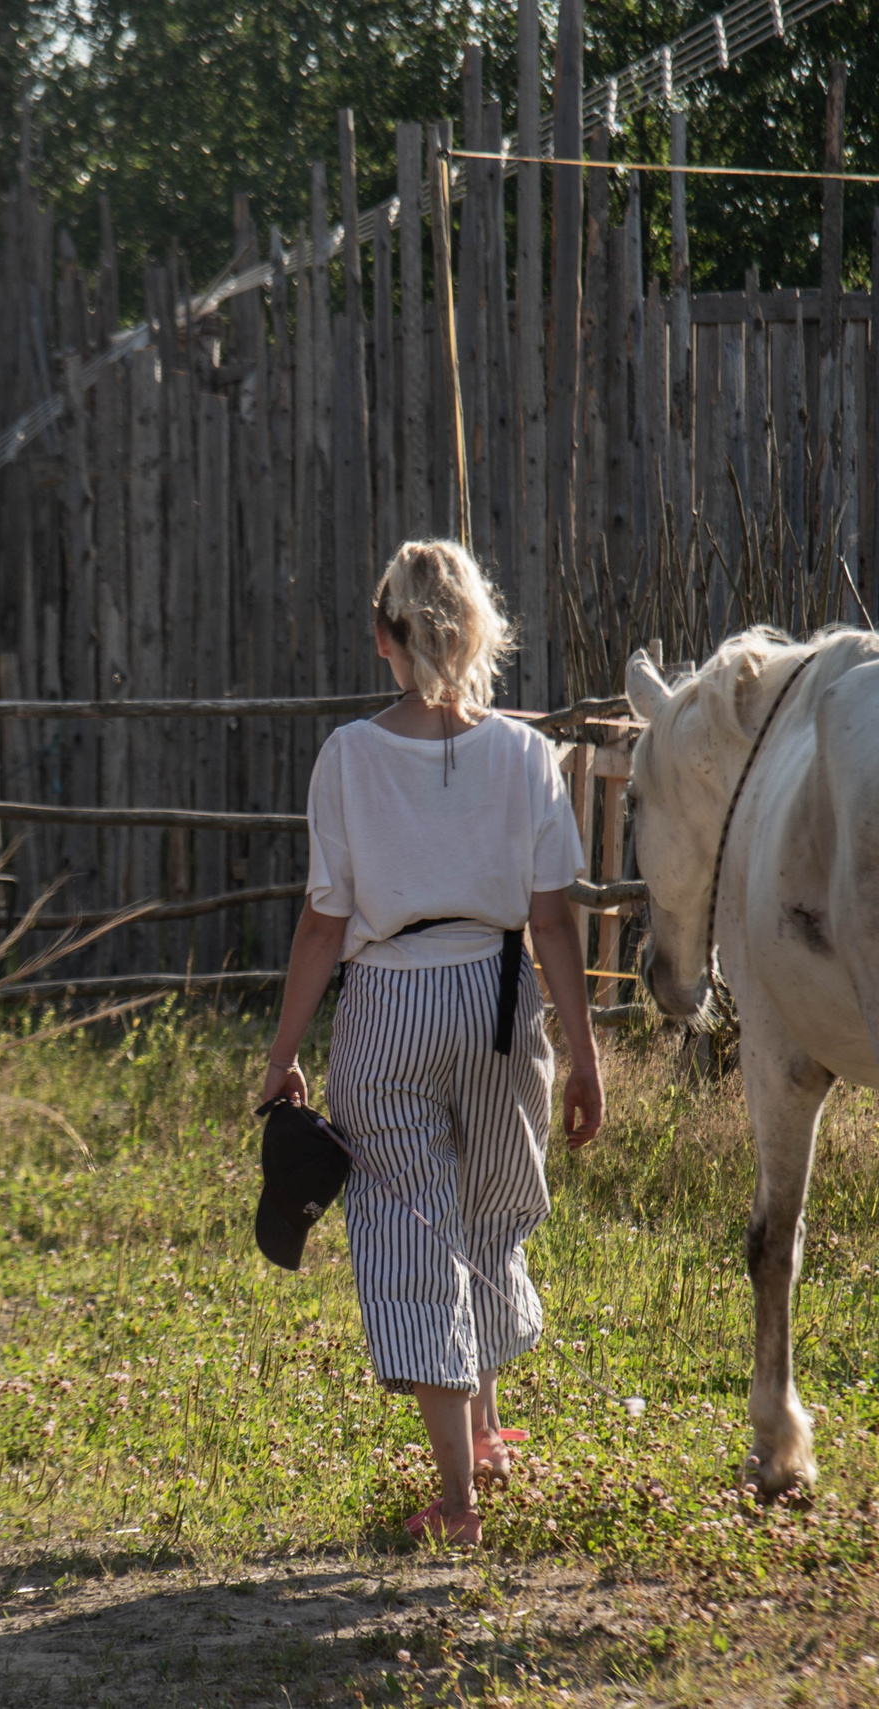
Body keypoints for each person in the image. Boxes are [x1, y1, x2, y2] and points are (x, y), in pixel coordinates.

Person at [257, 539, 603, 1548]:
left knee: (415, 1228)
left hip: (390, 1002)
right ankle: (484, 1435)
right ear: (480, 630)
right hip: (501, 1000)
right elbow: (554, 921)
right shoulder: (526, 754)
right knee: (491, 1210)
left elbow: (323, 922)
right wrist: (582, 1052)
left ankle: (456, 1502)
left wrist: (283, 1050)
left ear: (383, 637)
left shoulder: (349, 757)